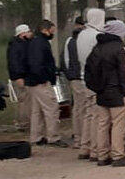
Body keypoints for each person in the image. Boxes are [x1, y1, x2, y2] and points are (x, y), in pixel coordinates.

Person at [84, 20, 125, 167]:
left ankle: (102, 155)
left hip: (101, 92)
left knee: (103, 124)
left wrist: (96, 88)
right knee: (118, 125)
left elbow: (89, 70)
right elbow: (124, 72)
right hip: (118, 93)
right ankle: (118, 155)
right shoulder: (120, 48)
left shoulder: (97, 48)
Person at [25, 20, 67, 148]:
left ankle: (36, 136)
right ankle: (53, 137)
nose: (52, 34)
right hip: (40, 81)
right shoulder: (40, 43)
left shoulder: (35, 42)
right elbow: (37, 63)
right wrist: (44, 78)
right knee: (52, 108)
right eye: (52, 31)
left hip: (33, 81)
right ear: (45, 30)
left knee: (37, 110)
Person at [76, 8, 106, 158]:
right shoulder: (96, 36)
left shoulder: (82, 34)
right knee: (97, 115)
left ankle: (84, 146)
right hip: (96, 79)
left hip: (84, 78)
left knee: (88, 114)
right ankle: (95, 149)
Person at [61, 17, 88, 154]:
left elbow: (64, 60)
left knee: (79, 108)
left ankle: (80, 137)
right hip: (79, 78)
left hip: (77, 78)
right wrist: (72, 75)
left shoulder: (69, 41)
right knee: (82, 109)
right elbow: (65, 60)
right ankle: (81, 138)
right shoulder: (75, 42)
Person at [7, 24, 32, 132]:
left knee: (26, 99)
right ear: (22, 33)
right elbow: (14, 63)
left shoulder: (21, 44)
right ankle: (24, 123)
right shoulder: (16, 46)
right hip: (20, 77)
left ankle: (25, 122)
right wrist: (18, 77)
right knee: (24, 100)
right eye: (28, 31)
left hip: (24, 75)